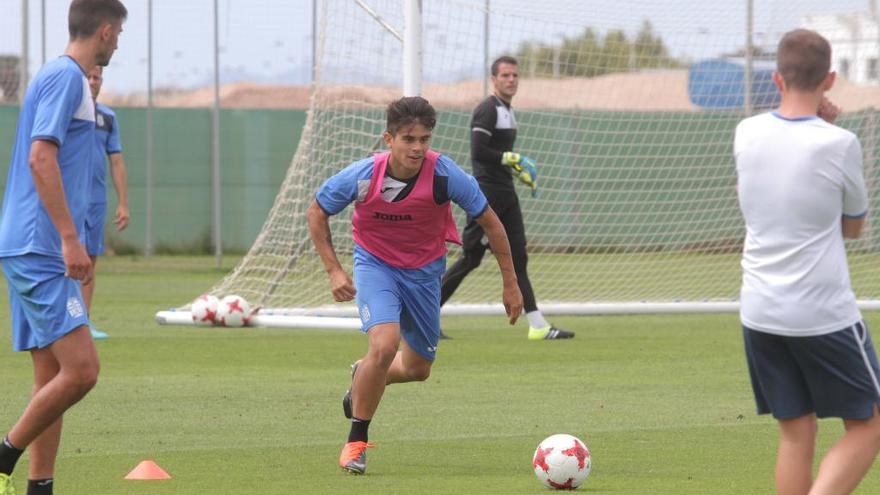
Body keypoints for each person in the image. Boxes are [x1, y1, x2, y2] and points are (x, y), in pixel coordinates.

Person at [307, 96, 523, 475]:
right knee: (385, 344)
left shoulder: (444, 174)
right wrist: (334, 272)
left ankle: (364, 375)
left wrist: (511, 283)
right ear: (388, 139)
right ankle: (356, 443)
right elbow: (317, 211)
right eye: (409, 139)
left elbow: (491, 222)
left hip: (424, 274)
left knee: (418, 368)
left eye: (424, 139)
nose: (418, 147)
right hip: (376, 267)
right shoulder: (362, 175)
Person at [735, 29, 880, 495]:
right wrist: (830, 124)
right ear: (831, 79)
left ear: (777, 79)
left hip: (759, 310)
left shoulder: (745, 133)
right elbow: (853, 227)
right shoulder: (839, 143)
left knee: (796, 432)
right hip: (820, 312)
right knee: (871, 425)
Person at [0, 1, 127, 494]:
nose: (117, 43)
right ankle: (5, 453)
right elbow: (39, 157)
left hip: (31, 244)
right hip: (41, 247)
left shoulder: (61, 77)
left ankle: (40, 487)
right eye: (117, 35)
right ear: (106, 30)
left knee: (50, 378)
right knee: (83, 371)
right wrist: (71, 240)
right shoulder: (68, 77)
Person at [439, 55, 573, 341]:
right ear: (494, 80)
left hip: (505, 193)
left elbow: (497, 156)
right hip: (486, 195)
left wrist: (515, 169)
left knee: (518, 257)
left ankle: (538, 325)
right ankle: (421, 317)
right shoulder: (487, 109)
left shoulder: (507, 110)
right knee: (470, 258)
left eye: (515, 75)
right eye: (505, 76)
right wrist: (509, 157)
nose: (511, 80)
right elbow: (479, 152)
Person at [82, 65, 130, 340]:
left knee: (89, 261)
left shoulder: (108, 118)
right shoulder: (65, 114)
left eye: (96, 77)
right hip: (67, 199)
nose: (91, 81)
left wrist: (123, 203)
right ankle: (62, 322)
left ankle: (83, 323)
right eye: (87, 76)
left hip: (96, 200)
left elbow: (117, 160)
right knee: (62, 261)